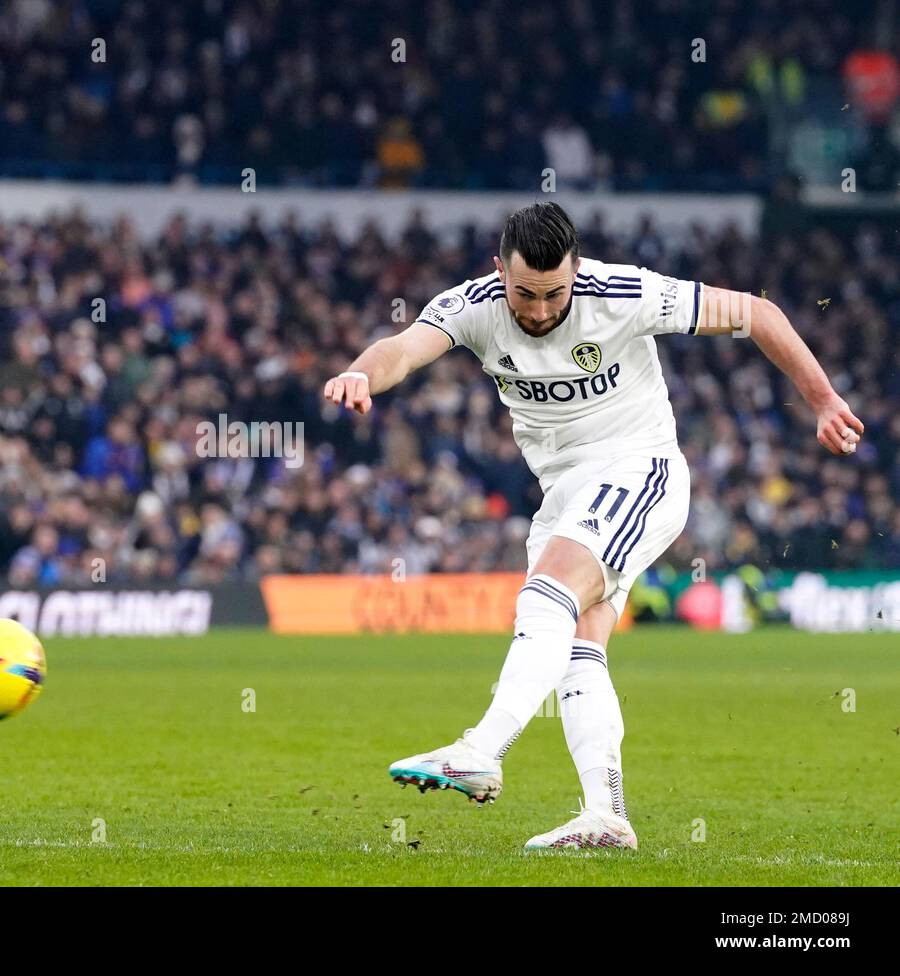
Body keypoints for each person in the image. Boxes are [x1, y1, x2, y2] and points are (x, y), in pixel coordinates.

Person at [322, 202, 863, 849]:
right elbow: (403, 349)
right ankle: (606, 814)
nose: (542, 310)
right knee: (580, 642)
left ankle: (481, 748)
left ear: (578, 270)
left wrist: (824, 400)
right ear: (499, 273)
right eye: (525, 293)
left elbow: (757, 313)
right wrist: (360, 371)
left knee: (547, 593)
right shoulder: (474, 306)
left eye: (556, 293)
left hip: (641, 471)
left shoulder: (626, 293)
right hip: (565, 496)